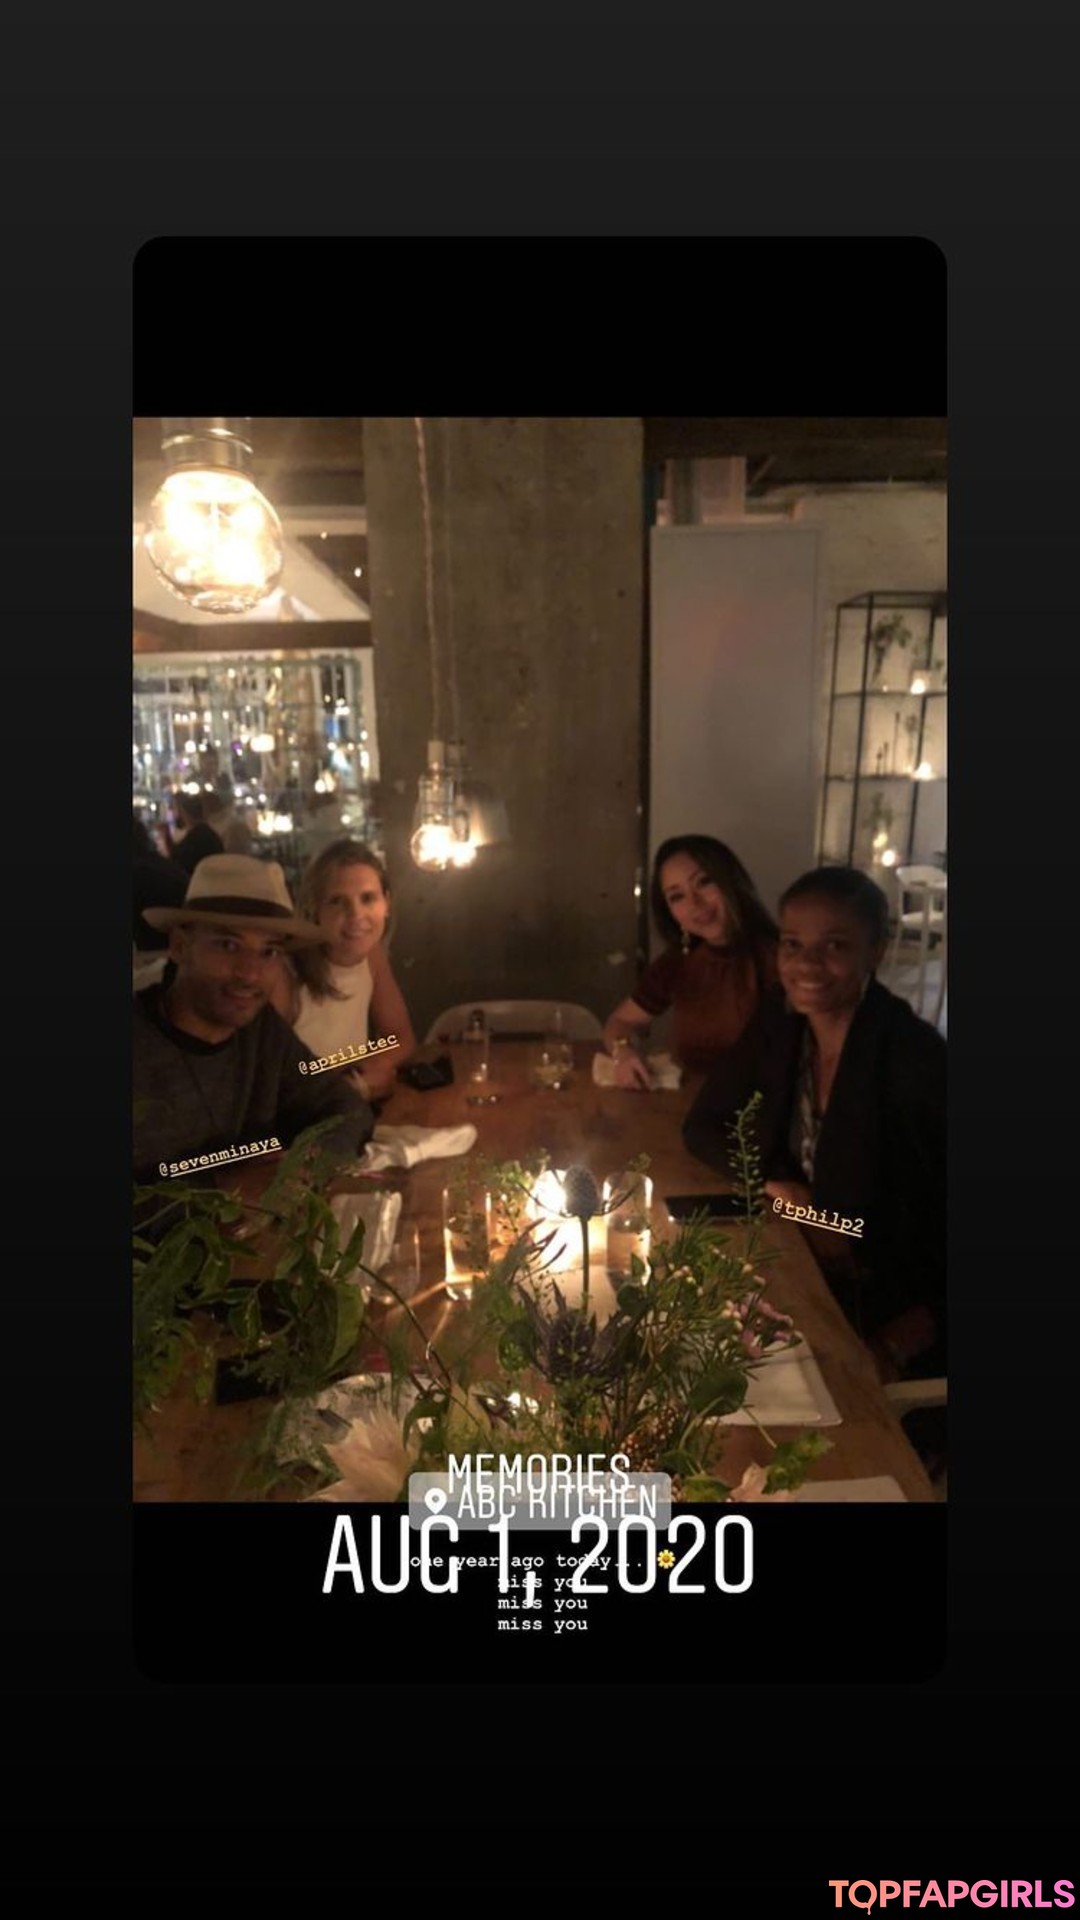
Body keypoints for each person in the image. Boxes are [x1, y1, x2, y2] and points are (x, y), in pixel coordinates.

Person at [682, 865, 946, 1387]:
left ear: (875, 952)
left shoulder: (914, 1061)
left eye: (835, 946)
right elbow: (703, 1126)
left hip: (891, 1316)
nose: (806, 964)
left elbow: (881, 1233)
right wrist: (776, 1189)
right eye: (793, 944)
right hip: (809, 1274)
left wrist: (896, 1343)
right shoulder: (783, 1021)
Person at [133, 854, 375, 1185]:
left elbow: (346, 1107)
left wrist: (305, 1167)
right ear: (180, 946)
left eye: (268, 952)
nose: (250, 973)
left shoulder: (261, 1031)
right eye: (228, 945)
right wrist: (225, 1191)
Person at [602, 834, 778, 1087]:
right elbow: (620, 1022)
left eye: (704, 882)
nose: (695, 903)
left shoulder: (781, 958)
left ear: (731, 881)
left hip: (758, 1104)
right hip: (690, 1102)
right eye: (677, 896)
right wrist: (624, 1052)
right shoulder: (679, 960)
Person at [270, 839, 417, 1104]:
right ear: (315, 909)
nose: (356, 915)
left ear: (387, 903)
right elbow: (273, 1077)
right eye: (338, 901)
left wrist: (374, 1066)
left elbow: (400, 1038)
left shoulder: (373, 956)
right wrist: (353, 1085)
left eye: (367, 898)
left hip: (347, 1110)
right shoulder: (286, 971)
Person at [166, 790, 225, 878]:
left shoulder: (196, 839)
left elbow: (177, 865)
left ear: (182, 811)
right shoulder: (207, 833)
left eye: (174, 808)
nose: (172, 813)